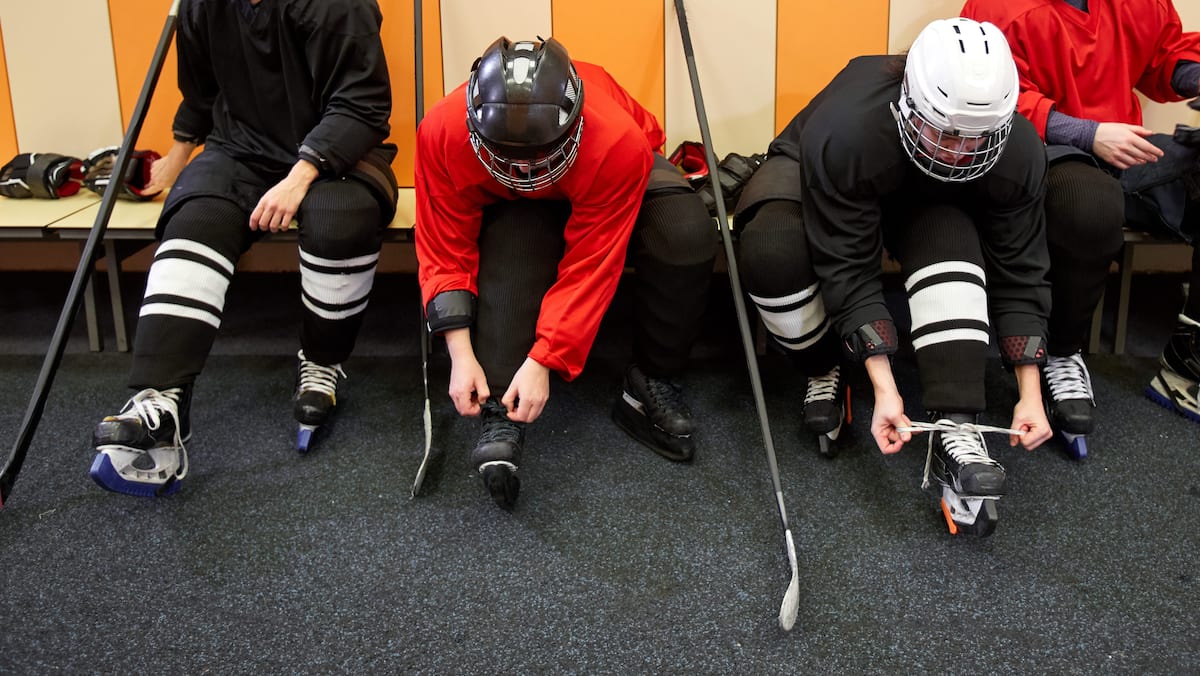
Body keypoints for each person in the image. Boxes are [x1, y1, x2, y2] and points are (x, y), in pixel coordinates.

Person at [733, 18, 1054, 536]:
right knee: (773, 249)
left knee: (949, 235)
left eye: (978, 138)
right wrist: (883, 383)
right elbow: (849, 263)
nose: (960, 151)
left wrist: (1030, 389)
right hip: (828, 167)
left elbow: (1022, 269)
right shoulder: (847, 127)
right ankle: (824, 368)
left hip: (922, 193)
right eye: (948, 134)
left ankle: (958, 418)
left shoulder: (1013, 148)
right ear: (914, 107)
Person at [88, 0, 398, 497]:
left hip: (341, 152)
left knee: (339, 219)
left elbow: (363, 105)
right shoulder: (201, 5)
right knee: (197, 215)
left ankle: (323, 363)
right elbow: (202, 90)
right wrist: (178, 156)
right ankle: (161, 402)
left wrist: (301, 174)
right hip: (239, 147)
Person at [415, 37, 715, 510]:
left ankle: (649, 382)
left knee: (684, 231)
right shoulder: (442, 131)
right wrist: (459, 351)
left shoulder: (616, 139)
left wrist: (545, 360)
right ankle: (499, 399)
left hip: (604, 167)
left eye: (534, 158)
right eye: (510, 156)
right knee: (518, 233)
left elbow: (590, 265)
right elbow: (442, 247)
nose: (523, 170)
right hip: (504, 190)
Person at [960, 0, 1200, 446]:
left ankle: (1187, 359)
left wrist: (1195, 75)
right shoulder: (999, 8)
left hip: (1126, 144)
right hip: (1047, 148)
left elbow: (1164, 54)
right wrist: (1088, 134)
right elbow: (993, 99)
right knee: (1089, 207)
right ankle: (1061, 352)